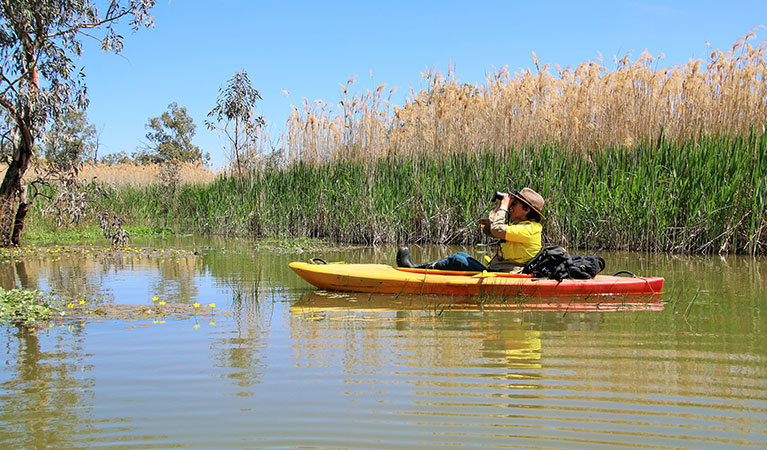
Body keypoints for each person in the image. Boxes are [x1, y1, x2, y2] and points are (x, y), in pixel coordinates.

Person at [397, 188, 544, 273]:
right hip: (498, 273)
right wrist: (499, 208)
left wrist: (505, 207)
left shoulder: (530, 230)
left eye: (515, 203)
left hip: (506, 277)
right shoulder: (520, 227)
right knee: (460, 255)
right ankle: (418, 268)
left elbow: (497, 229)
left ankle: (415, 270)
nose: (512, 206)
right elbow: (489, 230)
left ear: (526, 209)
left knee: (459, 260)